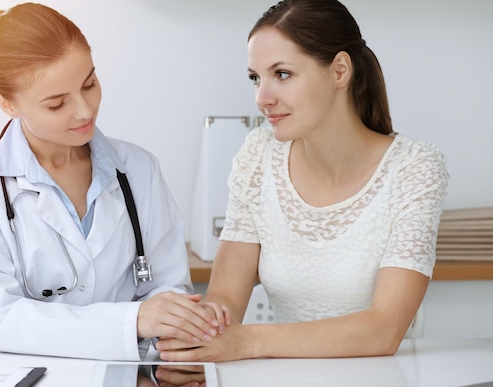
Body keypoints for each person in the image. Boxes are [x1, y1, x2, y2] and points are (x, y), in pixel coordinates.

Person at [155, 0, 449, 362]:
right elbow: (225, 300)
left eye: (281, 74)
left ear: (340, 71)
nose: (262, 98)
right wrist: (196, 331)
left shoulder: (414, 167)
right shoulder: (257, 156)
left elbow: (384, 328)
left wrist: (247, 342)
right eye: (255, 78)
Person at [0, 2, 221, 361]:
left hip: (128, 370)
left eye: (89, 84)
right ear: (6, 104)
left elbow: (167, 288)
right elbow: (1, 318)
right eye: (57, 104)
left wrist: (175, 319)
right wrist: (132, 321)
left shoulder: (138, 169)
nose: (85, 110)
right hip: (18, 371)